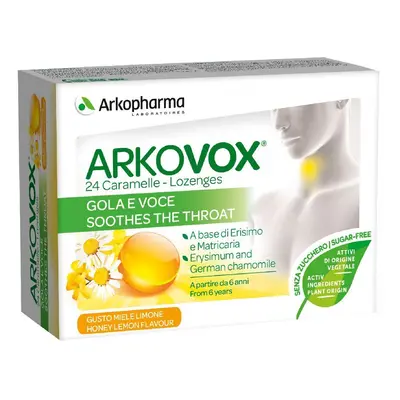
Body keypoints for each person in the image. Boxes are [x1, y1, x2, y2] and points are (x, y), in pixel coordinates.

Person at [251, 100, 359, 277]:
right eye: (273, 106)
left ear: (341, 97)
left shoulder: (373, 203)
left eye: (295, 101)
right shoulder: (261, 209)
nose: (278, 123)